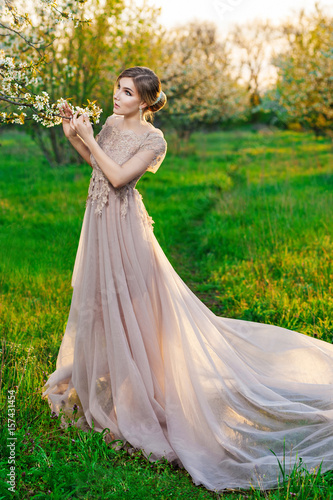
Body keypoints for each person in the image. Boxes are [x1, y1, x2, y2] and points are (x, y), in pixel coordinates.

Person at [43, 66, 333, 492]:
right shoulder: (107, 123)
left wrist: (87, 140)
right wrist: (76, 138)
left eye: (127, 93)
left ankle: (144, 390)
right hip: (100, 222)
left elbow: (122, 178)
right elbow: (99, 167)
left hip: (126, 229)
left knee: (137, 307)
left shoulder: (153, 139)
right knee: (99, 304)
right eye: (117, 90)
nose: (118, 98)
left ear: (144, 101)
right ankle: (109, 379)